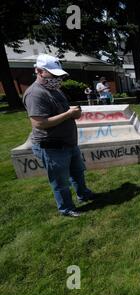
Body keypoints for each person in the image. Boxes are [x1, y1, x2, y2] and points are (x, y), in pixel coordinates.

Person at [23, 54, 95, 218]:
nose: (57, 79)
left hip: (68, 143)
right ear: (39, 71)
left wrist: (74, 113)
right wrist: (69, 114)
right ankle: (66, 208)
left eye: (59, 75)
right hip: (52, 147)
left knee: (77, 173)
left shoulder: (55, 90)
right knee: (60, 181)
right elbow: (39, 123)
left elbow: (63, 111)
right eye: (53, 75)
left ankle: (83, 194)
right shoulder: (35, 94)